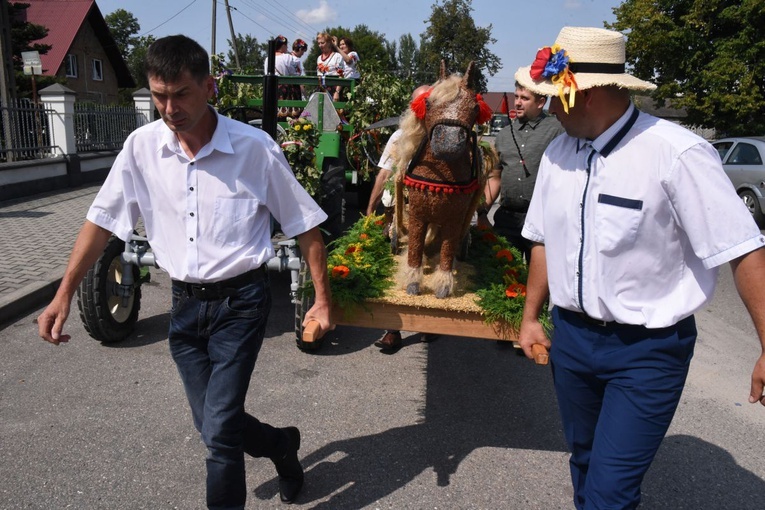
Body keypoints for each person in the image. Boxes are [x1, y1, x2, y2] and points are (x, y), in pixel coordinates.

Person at [37, 35, 333, 508]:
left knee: (218, 436)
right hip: (185, 306)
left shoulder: (254, 149)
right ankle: (280, 444)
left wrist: (320, 299)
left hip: (242, 305)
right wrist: (63, 293)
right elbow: (101, 221)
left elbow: (305, 226)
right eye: (158, 96)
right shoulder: (141, 149)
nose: (168, 108)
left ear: (209, 87)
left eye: (180, 95)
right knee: (215, 423)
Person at [515, 26, 765, 509]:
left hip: (646, 353)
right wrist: (530, 318)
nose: (547, 107)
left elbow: (743, 248)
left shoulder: (676, 154)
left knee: (611, 493)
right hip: (571, 342)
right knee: (584, 462)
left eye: (552, 96)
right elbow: (544, 240)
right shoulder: (558, 154)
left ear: (581, 95)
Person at [366, 84, 437, 352]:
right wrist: (371, 208)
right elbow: (384, 173)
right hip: (399, 213)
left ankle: (429, 324)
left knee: (426, 266)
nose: (421, 110)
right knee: (396, 268)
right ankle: (392, 330)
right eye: (417, 105)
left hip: (431, 215)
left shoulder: (441, 139)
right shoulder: (398, 137)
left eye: (427, 104)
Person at [478, 81, 564, 263]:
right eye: (516, 96)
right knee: (504, 275)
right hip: (507, 219)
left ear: (541, 102)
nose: (517, 102)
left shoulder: (557, 130)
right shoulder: (504, 134)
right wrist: (482, 212)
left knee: (540, 285)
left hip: (542, 222)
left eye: (524, 98)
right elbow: (495, 177)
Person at [264, 35, 302, 100]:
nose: (287, 47)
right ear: (283, 46)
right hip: (285, 91)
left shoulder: (268, 59)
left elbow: (266, 73)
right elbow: (293, 73)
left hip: (272, 89)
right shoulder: (287, 57)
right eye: (286, 45)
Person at [316, 32, 344, 98]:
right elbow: (319, 76)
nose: (320, 45)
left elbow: (341, 75)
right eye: (319, 43)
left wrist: (337, 92)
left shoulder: (337, 56)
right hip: (322, 88)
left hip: (334, 88)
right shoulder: (319, 58)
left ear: (329, 43)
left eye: (322, 43)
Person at [332, 36, 360, 102]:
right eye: (340, 45)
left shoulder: (353, 54)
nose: (341, 46)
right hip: (344, 84)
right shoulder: (340, 59)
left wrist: (336, 47)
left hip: (354, 84)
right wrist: (337, 91)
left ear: (349, 45)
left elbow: (348, 60)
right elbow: (341, 75)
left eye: (343, 44)